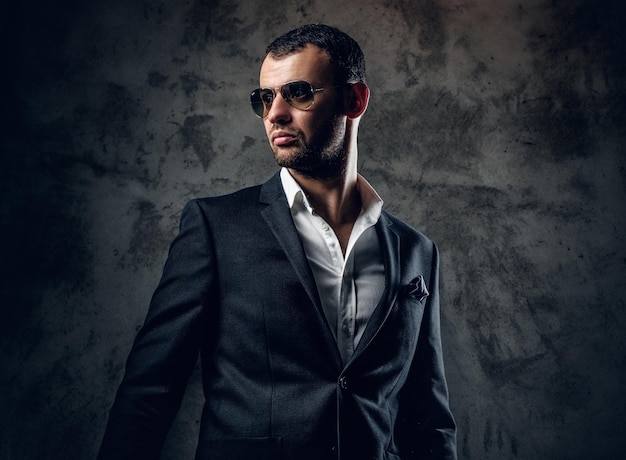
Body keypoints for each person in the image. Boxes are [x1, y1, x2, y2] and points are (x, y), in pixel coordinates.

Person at [98, 24, 457, 460]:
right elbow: (150, 389)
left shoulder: (416, 251)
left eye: (299, 93)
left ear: (354, 100)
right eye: (265, 98)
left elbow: (429, 418)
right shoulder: (215, 227)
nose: (275, 113)